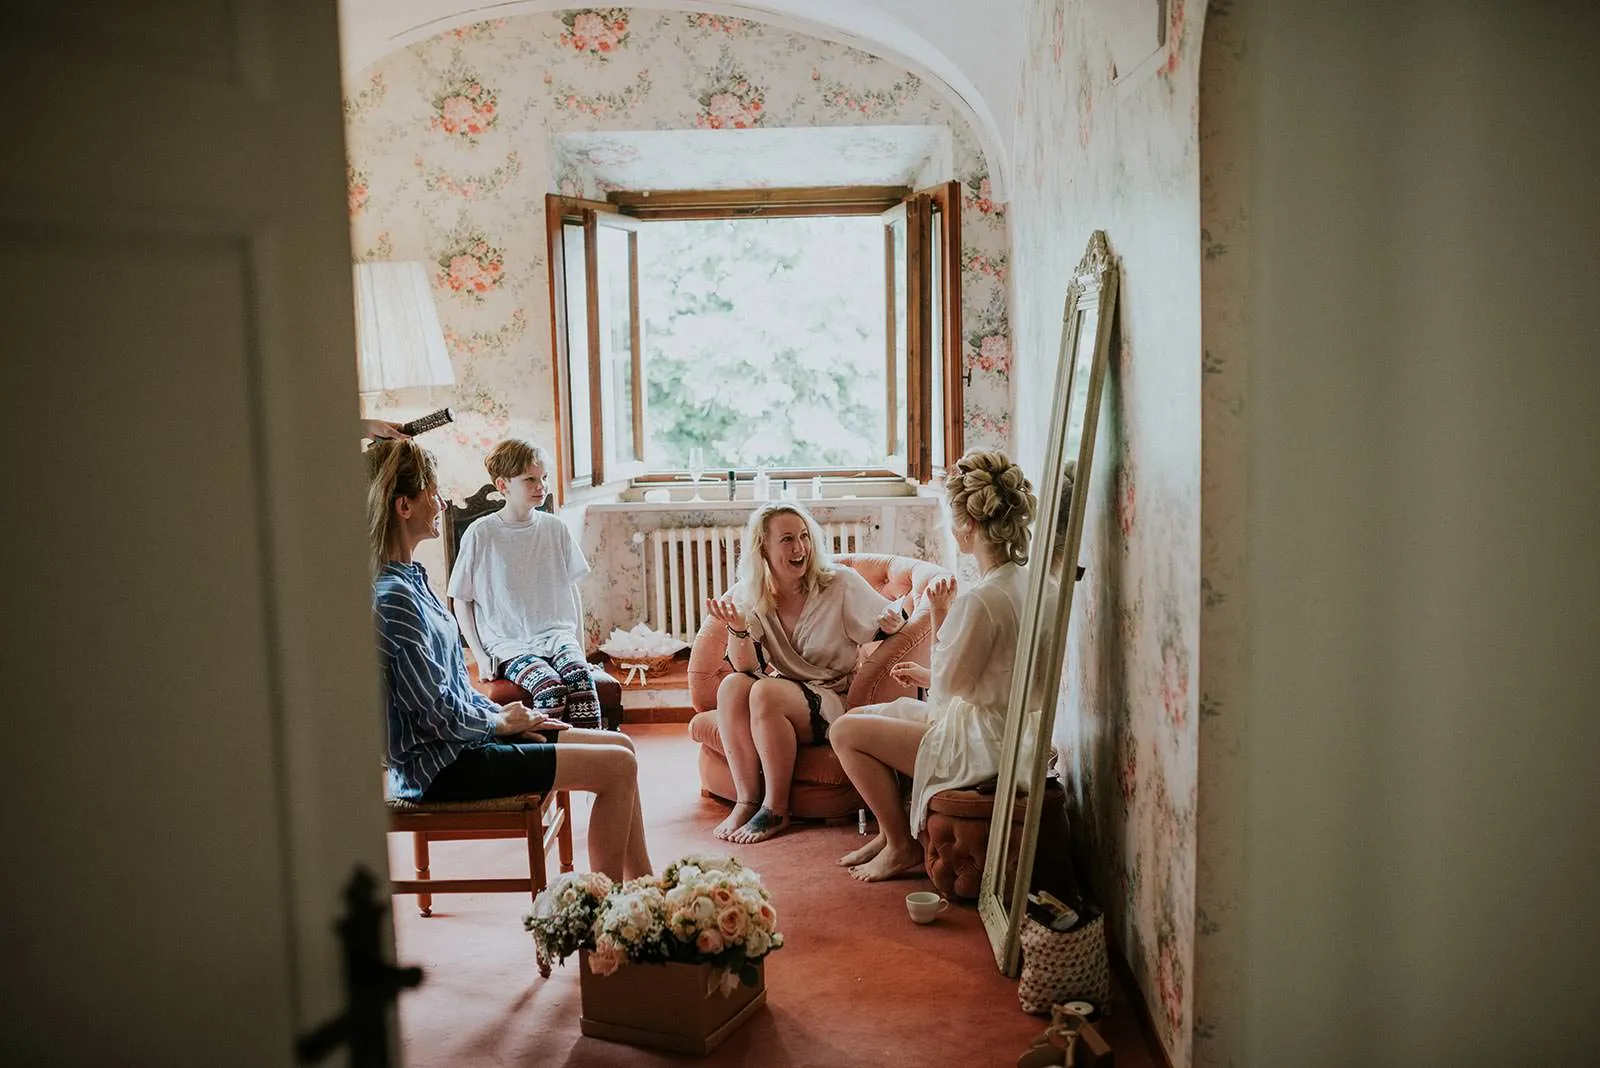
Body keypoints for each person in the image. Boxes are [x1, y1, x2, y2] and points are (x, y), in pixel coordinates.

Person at [366, 438, 650, 880]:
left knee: (623, 747)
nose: (441, 502)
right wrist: (501, 723)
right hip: (443, 767)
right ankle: (610, 921)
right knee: (616, 767)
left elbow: (453, 694)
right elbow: (437, 717)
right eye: (432, 492)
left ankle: (645, 890)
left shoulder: (413, 581)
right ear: (405, 506)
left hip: (466, 742)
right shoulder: (394, 599)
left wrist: (507, 715)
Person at [828, 450, 1038, 882]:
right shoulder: (1031, 584)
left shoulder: (982, 600)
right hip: (1010, 728)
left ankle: (901, 845)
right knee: (867, 715)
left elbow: (946, 694)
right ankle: (890, 834)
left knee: (844, 730)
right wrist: (929, 675)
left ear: (969, 527)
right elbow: (991, 672)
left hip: (982, 741)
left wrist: (941, 614)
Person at [703, 501, 909, 844]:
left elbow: (886, 622)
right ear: (763, 548)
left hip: (832, 695)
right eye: (786, 540)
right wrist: (738, 629)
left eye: (804, 537)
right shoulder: (750, 593)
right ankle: (747, 800)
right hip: (784, 694)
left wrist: (895, 621)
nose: (799, 548)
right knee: (732, 687)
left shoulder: (840, 582)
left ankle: (776, 808)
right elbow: (746, 668)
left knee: (765, 692)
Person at [448, 439, 603, 729]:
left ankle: (591, 756)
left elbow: (571, 590)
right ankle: (550, 762)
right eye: (529, 479)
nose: (541, 486)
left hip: (557, 635)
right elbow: (461, 599)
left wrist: (579, 647)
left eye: (544, 478)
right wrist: (481, 657)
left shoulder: (555, 528)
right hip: (508, 645)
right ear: (503, 485)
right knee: (550, 689)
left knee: (581, 681)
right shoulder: (482, 534)